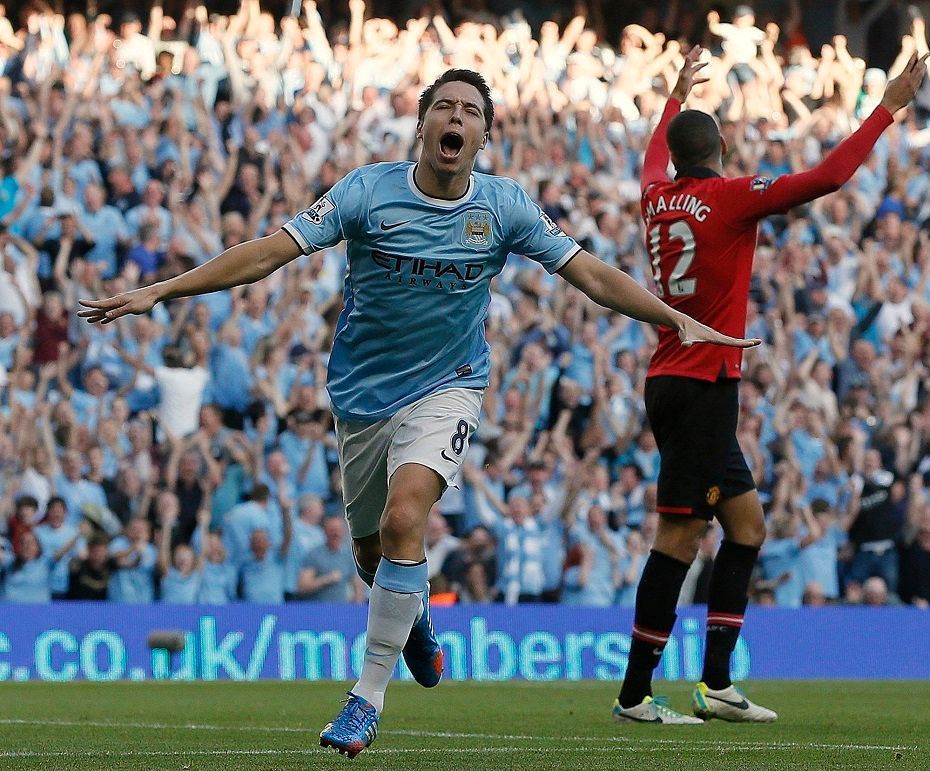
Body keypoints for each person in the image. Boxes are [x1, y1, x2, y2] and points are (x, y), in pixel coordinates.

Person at [79, 67, 757, 756]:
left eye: (469, 109)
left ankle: (363, 699)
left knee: (406, 517)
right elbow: (265, 255)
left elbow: (588, 273)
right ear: (424, 123)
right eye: (444, 107)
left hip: (450, 385)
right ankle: (415, 618)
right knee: (375, 554)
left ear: (484, 134)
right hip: (361, 396)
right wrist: (161, 290)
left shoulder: (505, 206)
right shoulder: (366, 191)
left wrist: (672, 317)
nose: (455, 118)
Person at [613, 46, 928, 725]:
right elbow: (830, 176)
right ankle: (634, 694)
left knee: (748, 527)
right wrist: (889, 107)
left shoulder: (654, 198)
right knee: (678, 539)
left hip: (681, 377)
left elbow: (649, 158)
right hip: (699, 384)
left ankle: (717, 683)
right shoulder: (728, 198)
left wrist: (672, 97)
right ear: (721, 148)